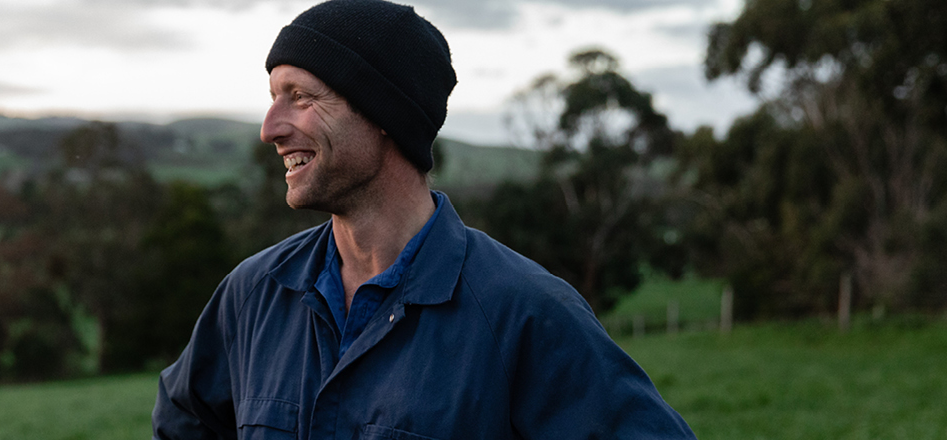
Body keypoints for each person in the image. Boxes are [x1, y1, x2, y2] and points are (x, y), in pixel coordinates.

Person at [153, 0, 697, 438]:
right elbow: (184, 421)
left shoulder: (524, 313)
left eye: (300, 97)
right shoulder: (253, 294)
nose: (271, 127)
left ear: (385, 114)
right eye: (273, 97)